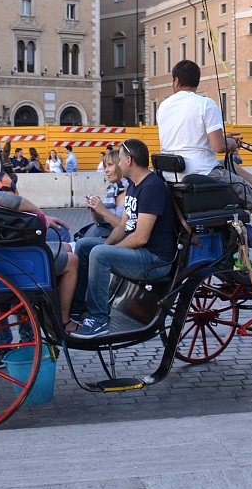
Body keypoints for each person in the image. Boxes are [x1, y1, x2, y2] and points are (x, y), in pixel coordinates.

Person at [155, 60, 252, 273]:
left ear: (176, 81)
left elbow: (188, 140)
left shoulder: (164, 106)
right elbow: (218, 147)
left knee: (230, 166)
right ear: (197, 82)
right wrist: (232, 144)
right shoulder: (205, 104)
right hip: (202, 176)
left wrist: (224, 140)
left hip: (175, 177)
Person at [0, 147, 80, 346]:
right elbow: (21, 203)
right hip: (3, 262)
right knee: (72, 261)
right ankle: (64, 321)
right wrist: (40, 214)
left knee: (66, 246)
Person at [71, 139, 179, 339]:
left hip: (154, 259)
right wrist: (107, 246)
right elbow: (123, 226)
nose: (118, 163)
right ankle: (77, 309)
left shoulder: (152, 187)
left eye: (119, 159)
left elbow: (141, 237)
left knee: (100, 254)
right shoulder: (135, 186)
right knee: (86, 246)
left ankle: (99, 320)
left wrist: (108, 251)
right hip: (138, 251)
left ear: (129, 160)